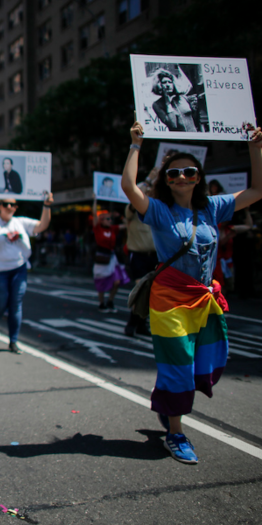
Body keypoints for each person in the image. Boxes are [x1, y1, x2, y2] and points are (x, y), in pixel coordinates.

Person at [121, 121, 262, 464]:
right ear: (165, 180)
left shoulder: (214, 207)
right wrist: (136, 144)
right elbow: (128, 186)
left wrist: (255, 148)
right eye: (173, 174)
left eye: (188, 172)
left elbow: (257, 190)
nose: (181, 177)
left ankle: (167, 400)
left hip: (203, 299)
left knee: (202, 364)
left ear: (198, 176)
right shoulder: (157, 210)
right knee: (179, 367)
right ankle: (176, 433)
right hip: (168, 301)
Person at [0, 192, 53, 353]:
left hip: (19, 269)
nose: (9, 207)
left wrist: (46, 206)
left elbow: (41, 226)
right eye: (5, 204)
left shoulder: (21, 222)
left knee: (15, 304)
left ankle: (13, 341)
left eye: (13, 205)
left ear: (16, 207)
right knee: (0, 304)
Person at [124, 170, 159, 335]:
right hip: (138, 255)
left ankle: (141, 324)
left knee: (151, 293)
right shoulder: (131, 210)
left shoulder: (156, 210)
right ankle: (131, 324)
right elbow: (134, 194)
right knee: (142, 290)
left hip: (155, 256)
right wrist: (148, 180)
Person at [91, 200, 129, 313]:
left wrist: (121, 216)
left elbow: (127, 225)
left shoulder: (113, 229)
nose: (109, 221)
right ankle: (101, 303)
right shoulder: (98, 228)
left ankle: (110, 301)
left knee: (117, 281)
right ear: (101, 220)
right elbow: (94, 214)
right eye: (107, 219)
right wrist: (95, 200)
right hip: (102, 258)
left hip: (113, 258)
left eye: (110, 219)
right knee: (101, 280)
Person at [150, 68, 202, 133]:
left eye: (170, 82)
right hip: (179, 140)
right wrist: (167, 102)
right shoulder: (157, 104)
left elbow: (196, 119)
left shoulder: (183, 98)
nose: (168, 85)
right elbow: (173, 125)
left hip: (193, 136)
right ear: (159, 85)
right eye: (164, 82)